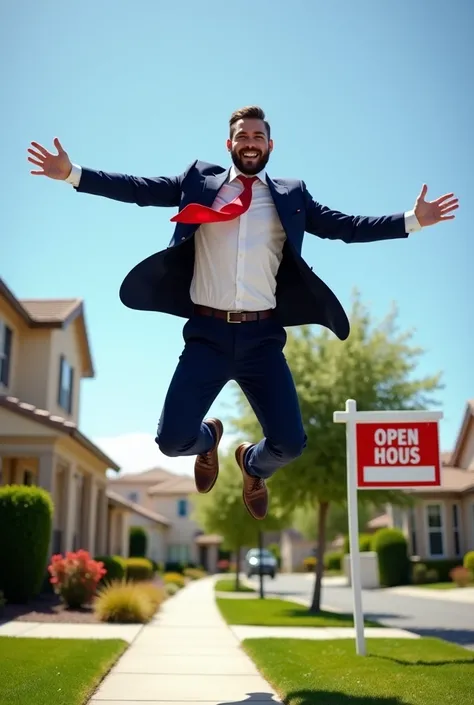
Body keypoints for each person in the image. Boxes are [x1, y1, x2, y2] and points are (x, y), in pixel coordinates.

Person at [27, 106, 458, 520]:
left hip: (262, 339)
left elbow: (345, 226)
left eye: (257, 136)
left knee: (289, 444)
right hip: (207, 336)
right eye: (242, 136)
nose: (249, 143)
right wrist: (72, 174)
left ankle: (252, 465)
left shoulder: (290, 196)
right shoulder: (199, 180)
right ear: (228, 143)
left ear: (271, 144)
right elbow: (140, 189)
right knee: (173, 441)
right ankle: (209, 438)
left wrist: (410, 220)